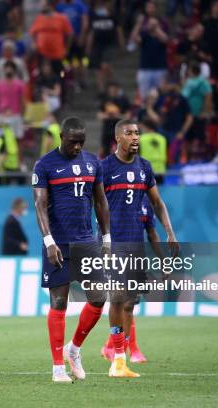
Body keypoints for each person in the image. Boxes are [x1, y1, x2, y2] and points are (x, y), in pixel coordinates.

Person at [32, 116, 111, 383]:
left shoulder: (92, 162)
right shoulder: (45, 165)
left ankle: (73, 349)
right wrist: (48, 241)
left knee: (99, 298)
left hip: (87, 241)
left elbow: (100, 202)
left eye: (81, 142)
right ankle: (57, 368)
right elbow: (40, 205)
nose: (77, 147)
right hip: (58, 244)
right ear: (61, 138)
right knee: (59, 302)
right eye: (72, 142)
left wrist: (107, 237)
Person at [99, 119, 178, 378]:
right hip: (114, 244)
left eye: (137, 133)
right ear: (118, 138)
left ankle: (118, 357)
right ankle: (118, 358)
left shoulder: (144, 167)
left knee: (130, 304)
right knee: (117, 297)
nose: (135, 137)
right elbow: (93, 203)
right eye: (129, 133)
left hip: (136, 245)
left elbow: (157, 202)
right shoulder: (104, 167)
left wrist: (169, 231)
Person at [101, 195, 159, 364]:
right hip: (115, 254)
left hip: (136, 256)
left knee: (129, 304)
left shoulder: (145, 202)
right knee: (120, 302)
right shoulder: (114, 199)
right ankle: (129, 349)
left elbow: (151, 231)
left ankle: (112, 346)